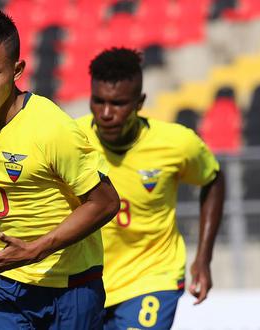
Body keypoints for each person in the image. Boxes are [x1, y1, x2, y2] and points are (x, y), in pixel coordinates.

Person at [0, 9, 120, 329]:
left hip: (71, 285)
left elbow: (105, 202)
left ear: (17, 69)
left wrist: (37, 249)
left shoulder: (52, 129)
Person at [76, 47, 225, 330]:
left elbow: (214, 179)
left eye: (118, 103)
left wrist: (203, 258)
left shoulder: (177, 143)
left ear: (140, 102)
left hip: (153, 275)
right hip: (88, 279)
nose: (106, 113)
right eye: (98, 101)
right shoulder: (72, 140)